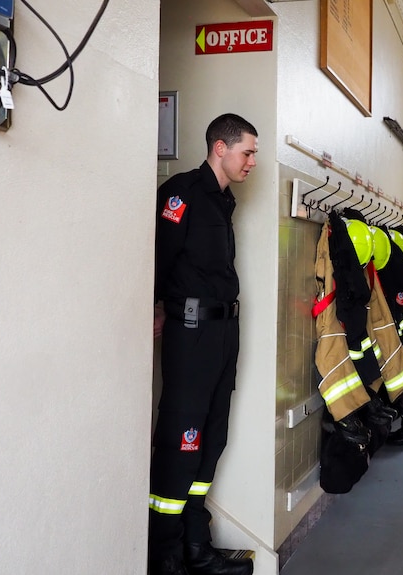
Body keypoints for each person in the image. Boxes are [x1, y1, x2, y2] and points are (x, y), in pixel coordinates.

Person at [150, 113, 258, 575]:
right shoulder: (182, 194)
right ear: (220, 147)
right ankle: (165, 553)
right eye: (247, 151)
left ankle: (197, 544)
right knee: (182, 439)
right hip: (191, 333)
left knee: (211, 437)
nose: (252, 160)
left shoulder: (223, 200)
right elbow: (158, 255)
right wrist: (157, 305)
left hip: (222, 332)